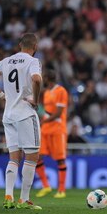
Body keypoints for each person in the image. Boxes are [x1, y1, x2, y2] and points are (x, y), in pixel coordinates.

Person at [0, 33, 42, 209]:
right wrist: (36, 101)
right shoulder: (33, 62)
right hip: (25, 114)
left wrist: (1, 94)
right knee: (32, 156)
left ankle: (8, 196)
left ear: (19, 45)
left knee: (14, 157)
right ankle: (23, 199)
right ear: (35, 47)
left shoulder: (7, 61)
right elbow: (37, 79)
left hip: (8, 115)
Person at [35, 69, 68, 199]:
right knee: (37, 156)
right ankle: (46, 186)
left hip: (58, 130)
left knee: (60, 159)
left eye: (44, 78)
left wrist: (44, 121)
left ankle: (61, 190)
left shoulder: (61, 91)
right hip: (46, 130)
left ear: (48, 78)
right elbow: (46, 110)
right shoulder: (46, 92)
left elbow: (59, 113)